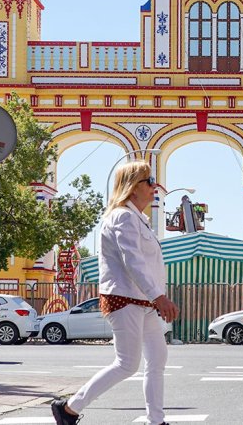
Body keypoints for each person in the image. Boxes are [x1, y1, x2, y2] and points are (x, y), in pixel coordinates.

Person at [52, 161, 180, 425]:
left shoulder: (139, 220)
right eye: (149, 181)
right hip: (125, 300)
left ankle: (156, 420)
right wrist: (159, 297)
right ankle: (69, 409)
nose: (154, 186)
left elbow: (149, 266)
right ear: (133, 188)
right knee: (127, 364)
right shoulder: (122, 216)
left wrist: (156, 297)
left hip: (144, 302)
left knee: (157, 358)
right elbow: (132, 261)